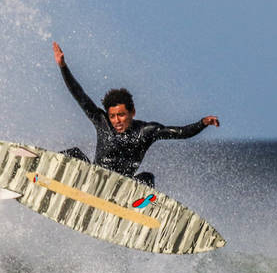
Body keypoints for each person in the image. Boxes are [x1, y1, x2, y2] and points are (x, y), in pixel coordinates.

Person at [53, 42, 219, 188]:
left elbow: (181, 133)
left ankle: (138, 212)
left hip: (122, 191)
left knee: (147, 178)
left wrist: (202, 123)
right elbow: (79, 95)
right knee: (73, 154)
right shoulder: (102, 122)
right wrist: (63, 67)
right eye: (112, 116)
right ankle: (40, 175)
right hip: (92, 181)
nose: (116, 121)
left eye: (121, 115)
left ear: (132, 112)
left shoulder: (146, 132)